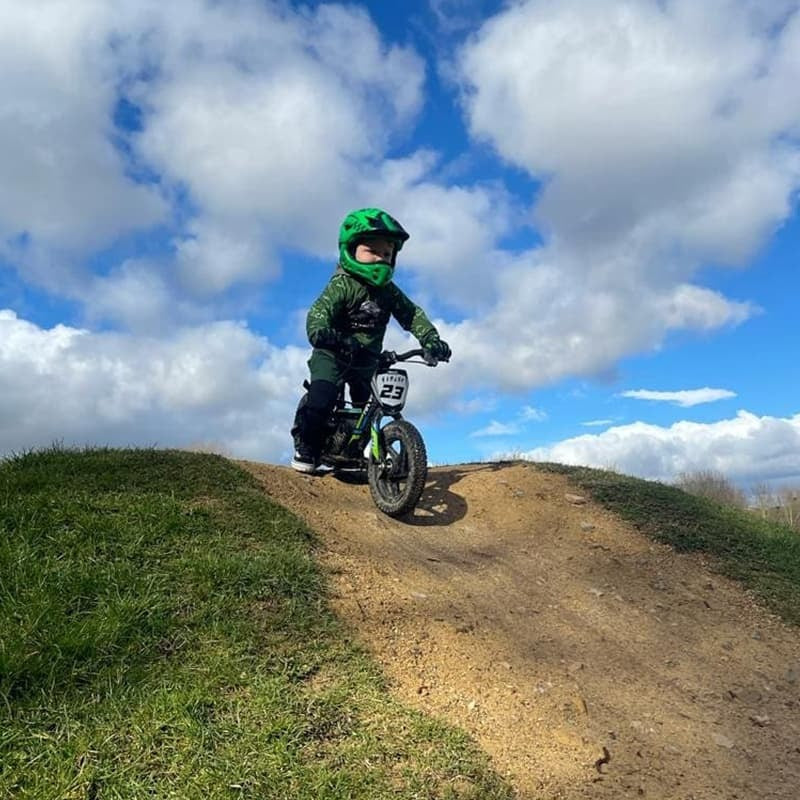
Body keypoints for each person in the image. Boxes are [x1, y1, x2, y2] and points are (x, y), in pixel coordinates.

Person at [290, 207, 451, 473]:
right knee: (322, 397)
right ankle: (306, 447)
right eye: (372, 251)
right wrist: (325, 334)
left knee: (368, 407)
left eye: (386, 254)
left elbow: (411, 315)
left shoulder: (389, 292)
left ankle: (353, 452)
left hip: (367, 360)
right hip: (332, 353)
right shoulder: (342, 285)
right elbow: (318, 315)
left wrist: (431, 340)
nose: (380, 259)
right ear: (351, 250)